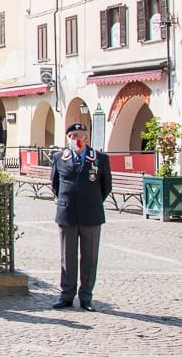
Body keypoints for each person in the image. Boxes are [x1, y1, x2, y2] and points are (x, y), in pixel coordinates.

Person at [50, 122, 112, 311]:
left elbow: (106, 186)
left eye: (78, 135)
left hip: (91, 214)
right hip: (67, 213)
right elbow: (55, 185)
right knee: (67, 257)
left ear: (85, 137)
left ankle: (86, 297)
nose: (74, 139)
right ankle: (66, 295)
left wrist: (91, 201)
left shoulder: (99, 158)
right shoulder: (59, 157)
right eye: (71, 136)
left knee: (89, 257)